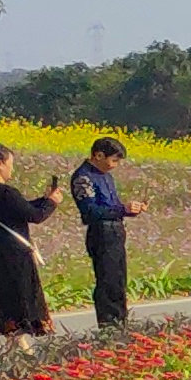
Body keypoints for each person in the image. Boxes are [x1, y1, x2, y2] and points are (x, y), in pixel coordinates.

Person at [0, 142, 57, 349]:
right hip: (14, 254)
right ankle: (20, 345)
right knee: (21, 298)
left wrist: (43, 199)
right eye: (10, 164)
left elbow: (19, 209)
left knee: (5, 298)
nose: (11, 169)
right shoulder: (4, 192)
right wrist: (51, 202)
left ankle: (15, 342)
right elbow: (34, 216)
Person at [66, 135, 135, 330]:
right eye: (113, 160)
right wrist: (123, 209)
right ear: (98, 155)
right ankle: (109, 327)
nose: (115, 165)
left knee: (119, 281)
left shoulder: (106, 176)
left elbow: (112, 206)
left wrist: (129, 210)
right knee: (108, 283)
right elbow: (90, 212)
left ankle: (121, 325)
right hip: (101, 233)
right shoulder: (83, 177)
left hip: (116, 231)